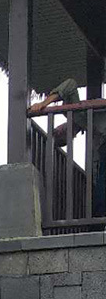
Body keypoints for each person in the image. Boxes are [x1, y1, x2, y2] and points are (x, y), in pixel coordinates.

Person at [29, 78, 106, 217]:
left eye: (56, 130)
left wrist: (43, 103)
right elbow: (70, 84)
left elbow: (70, 84)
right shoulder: (83, 120)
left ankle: (100, 217)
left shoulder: (81, 115)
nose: (59, 130)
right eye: (59, 134)